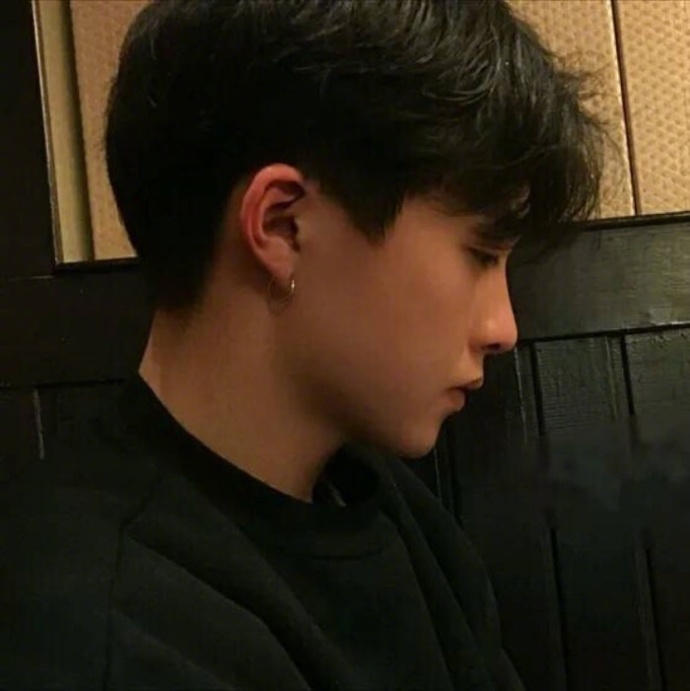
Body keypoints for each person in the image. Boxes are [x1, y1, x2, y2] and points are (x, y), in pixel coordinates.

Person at [1, 0, 602, 688]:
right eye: (481, 253)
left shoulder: (385, 509)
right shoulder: (94, 628)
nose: (503, 328)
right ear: (283, 226)